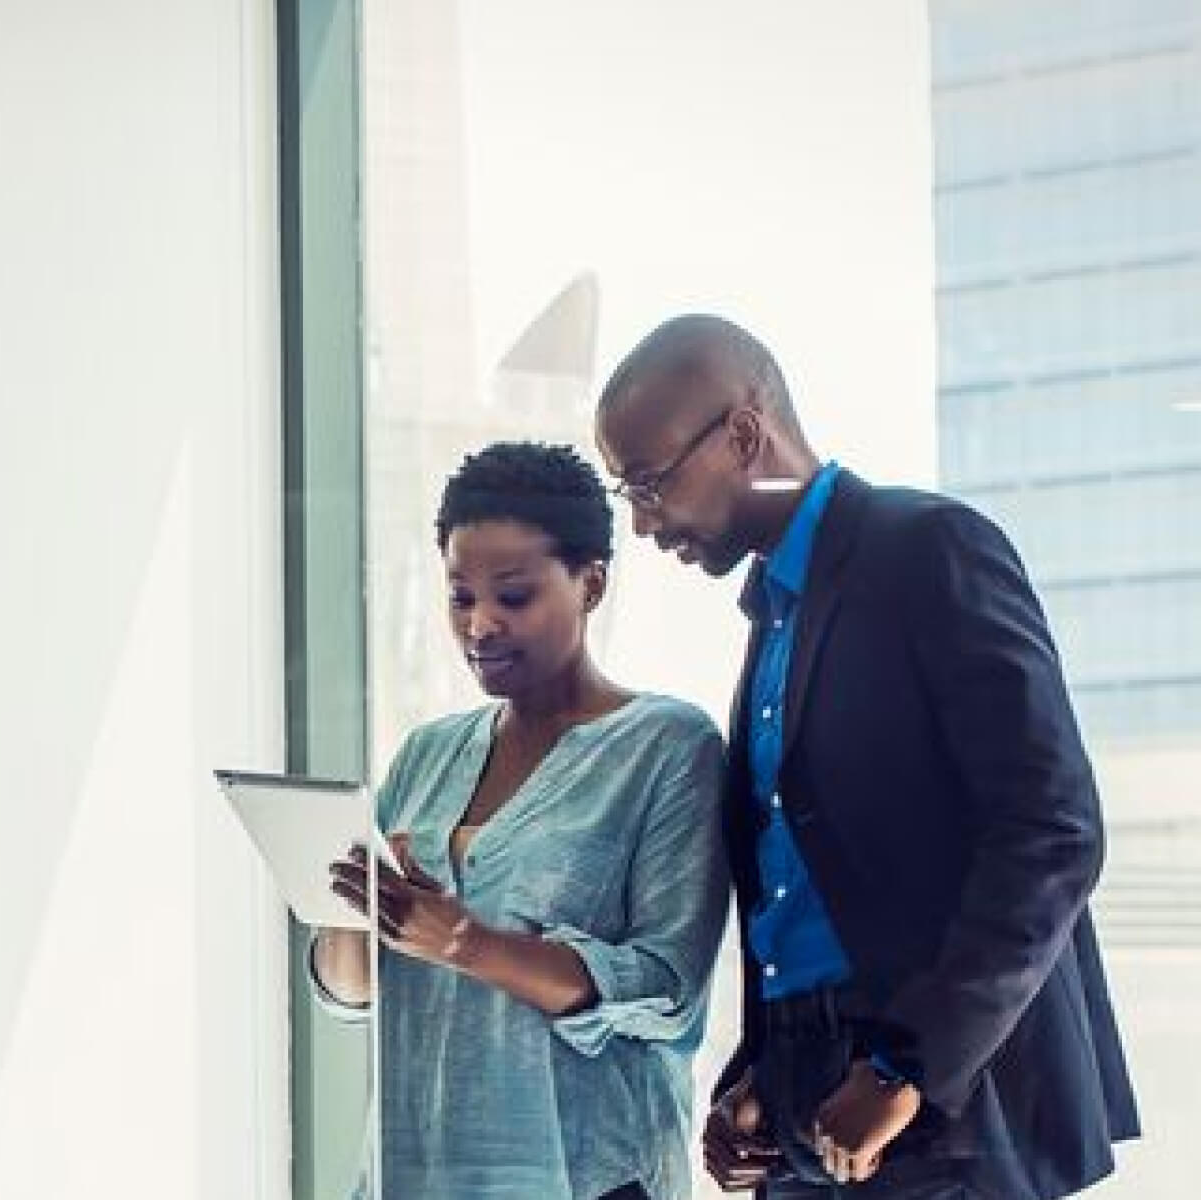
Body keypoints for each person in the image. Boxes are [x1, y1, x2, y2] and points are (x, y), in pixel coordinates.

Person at [592, 314, 1140, 1198]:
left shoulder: (928, 551)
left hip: (944, 1104)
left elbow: (1052, 831)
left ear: (741, 432)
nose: (644, 523)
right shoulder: (774, 614)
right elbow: (800, 886)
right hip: (807, 1104)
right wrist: (758, 1074)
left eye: (649, 484)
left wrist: (901, 1069)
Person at [312, 441, 729, 1200]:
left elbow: (666, 989)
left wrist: (467, 942)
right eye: (460, 596)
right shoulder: (425, 757)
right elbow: (349, 992)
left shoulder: (669, 745)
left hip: (591, 1175)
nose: (480, 625)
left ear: (591, 583)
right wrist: (356, 913)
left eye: (513, 595)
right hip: (419, 1171)